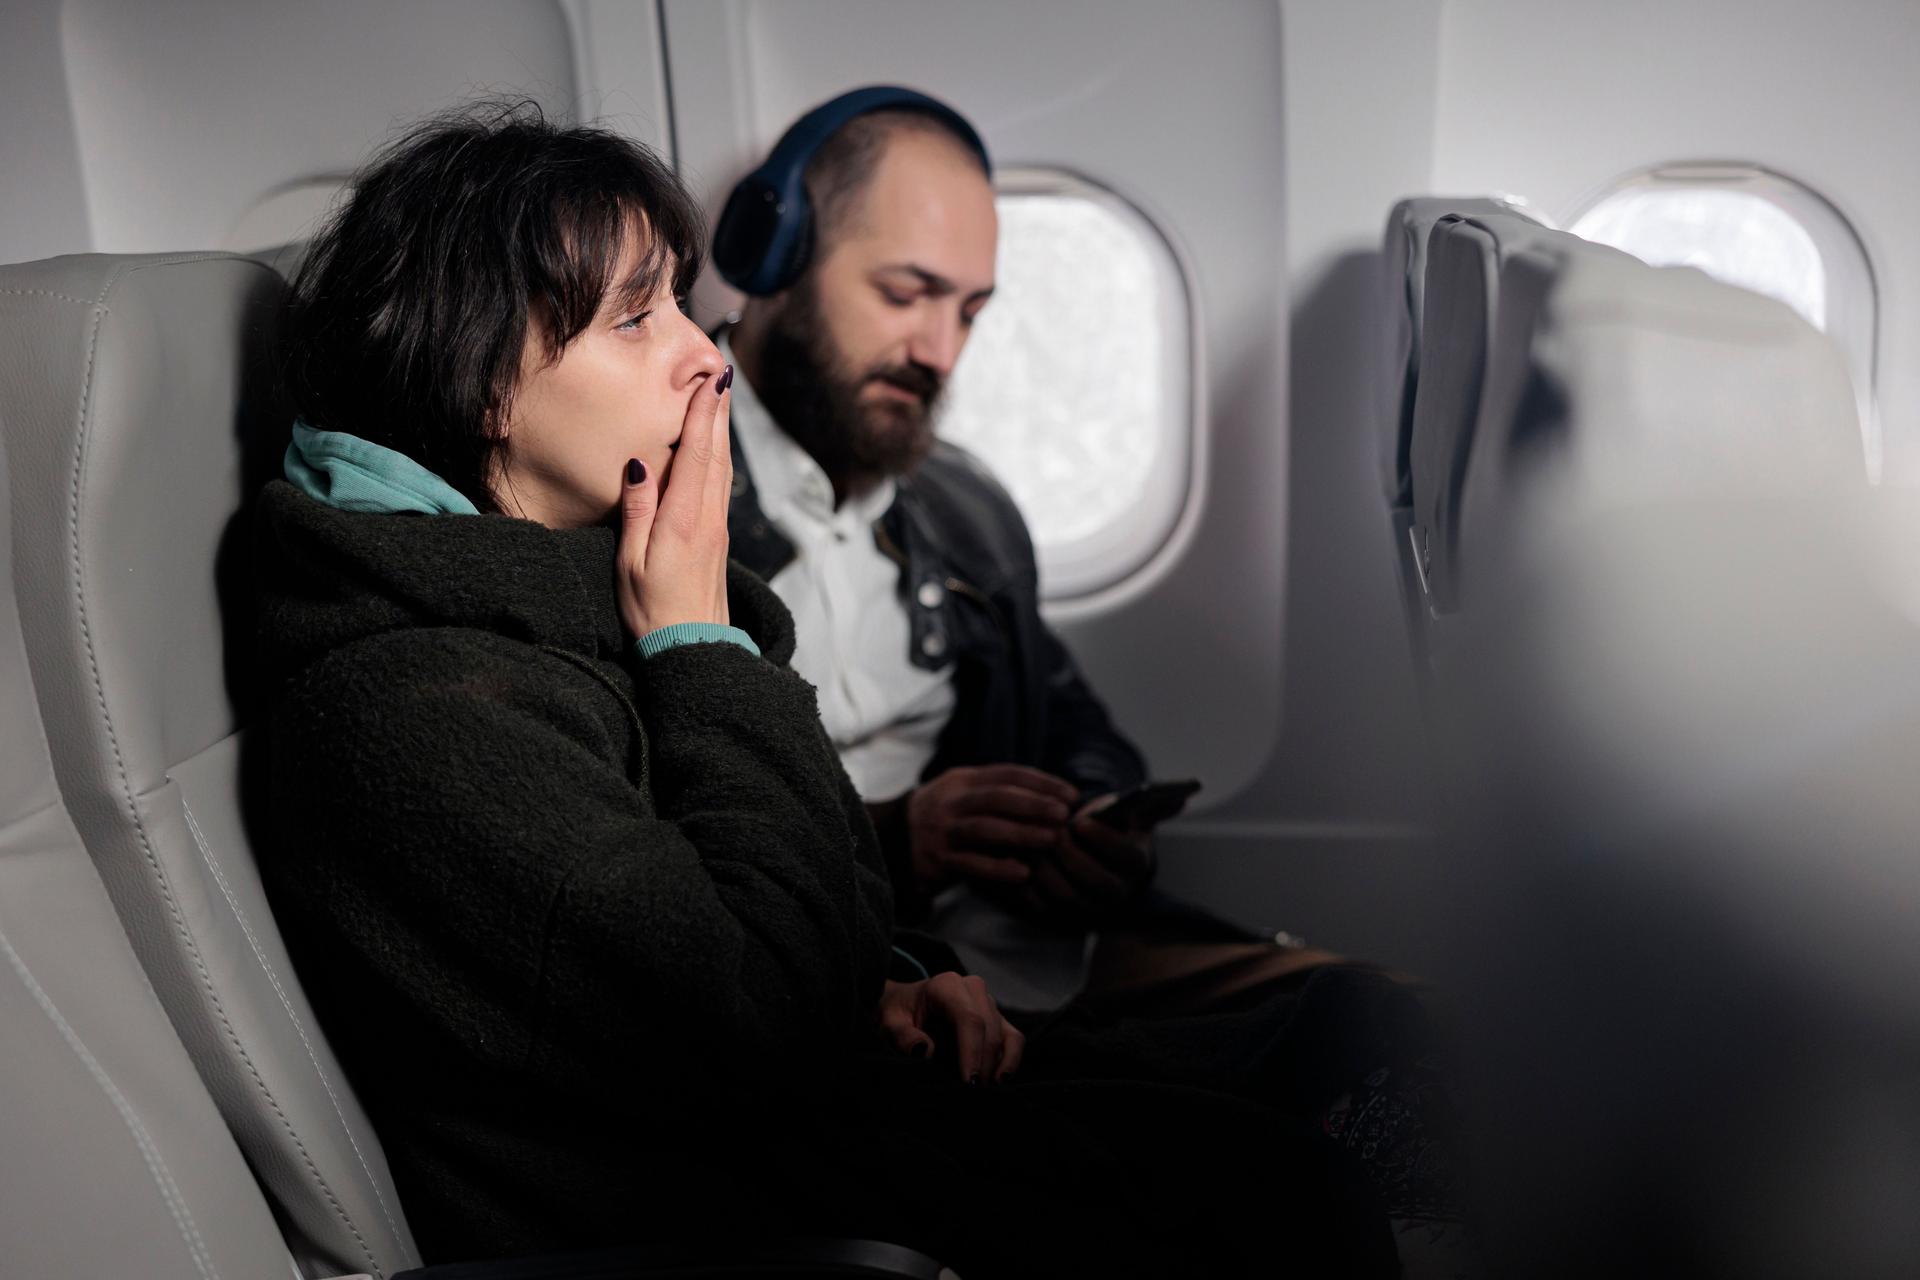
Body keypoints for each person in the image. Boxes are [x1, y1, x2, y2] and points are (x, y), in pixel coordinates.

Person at [253, 100, 1434, 1277]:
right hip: (767, 1198)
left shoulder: (577, 591)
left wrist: (894, 977)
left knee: (1355, 1042)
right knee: (1289, 1187)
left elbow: (732, 937)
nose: (700, 349)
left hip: (851, 1075)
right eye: (635, 317)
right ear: (481, 381)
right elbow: (749, 1008)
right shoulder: (421, 705)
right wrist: (701, 637)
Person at [716, 88, 1337, 1013]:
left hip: (1037, 953)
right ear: (777, 257)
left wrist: (1097, 831)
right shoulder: (659, 503)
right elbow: (646, 830)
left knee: (1378, 1015)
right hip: (858, 990)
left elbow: (1068, 718)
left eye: (970, 310)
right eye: (906, 292)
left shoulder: (961, 506)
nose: (941, 351)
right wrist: (895, 843)